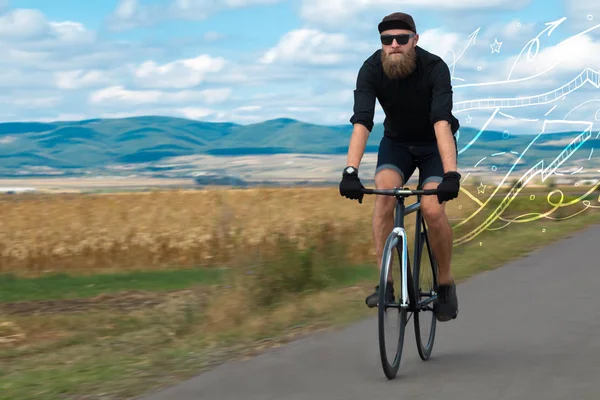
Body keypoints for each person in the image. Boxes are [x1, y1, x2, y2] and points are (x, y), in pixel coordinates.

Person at [338, 11, 461, 322]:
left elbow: (441, 121)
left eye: (401, 39)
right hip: (397, 144)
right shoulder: (370, 69)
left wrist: (451, 174)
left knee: (432, 210)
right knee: (383, 197)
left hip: (434, 144)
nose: (394, 44)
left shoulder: (434, 68)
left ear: (414, 41)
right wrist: (351, 171)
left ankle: (445, 283)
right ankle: (387, 285)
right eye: (386, 40)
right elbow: (362, 122)